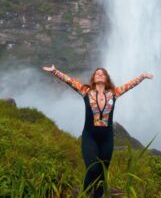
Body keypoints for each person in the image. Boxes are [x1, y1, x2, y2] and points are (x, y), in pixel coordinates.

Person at [42, 64, 153, 198]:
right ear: (93, 78)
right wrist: (54, 71)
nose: (99, 74)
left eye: (102, 73)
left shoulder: (114, 94)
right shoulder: (86, 91)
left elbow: (130, 85)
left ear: (106, 78)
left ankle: (96, 196)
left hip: (107, 139)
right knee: (93, 168)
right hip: (90, 137)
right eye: (97, 73)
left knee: (102, 173)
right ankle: (85, 191)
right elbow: (69, 81)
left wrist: (142, 76)